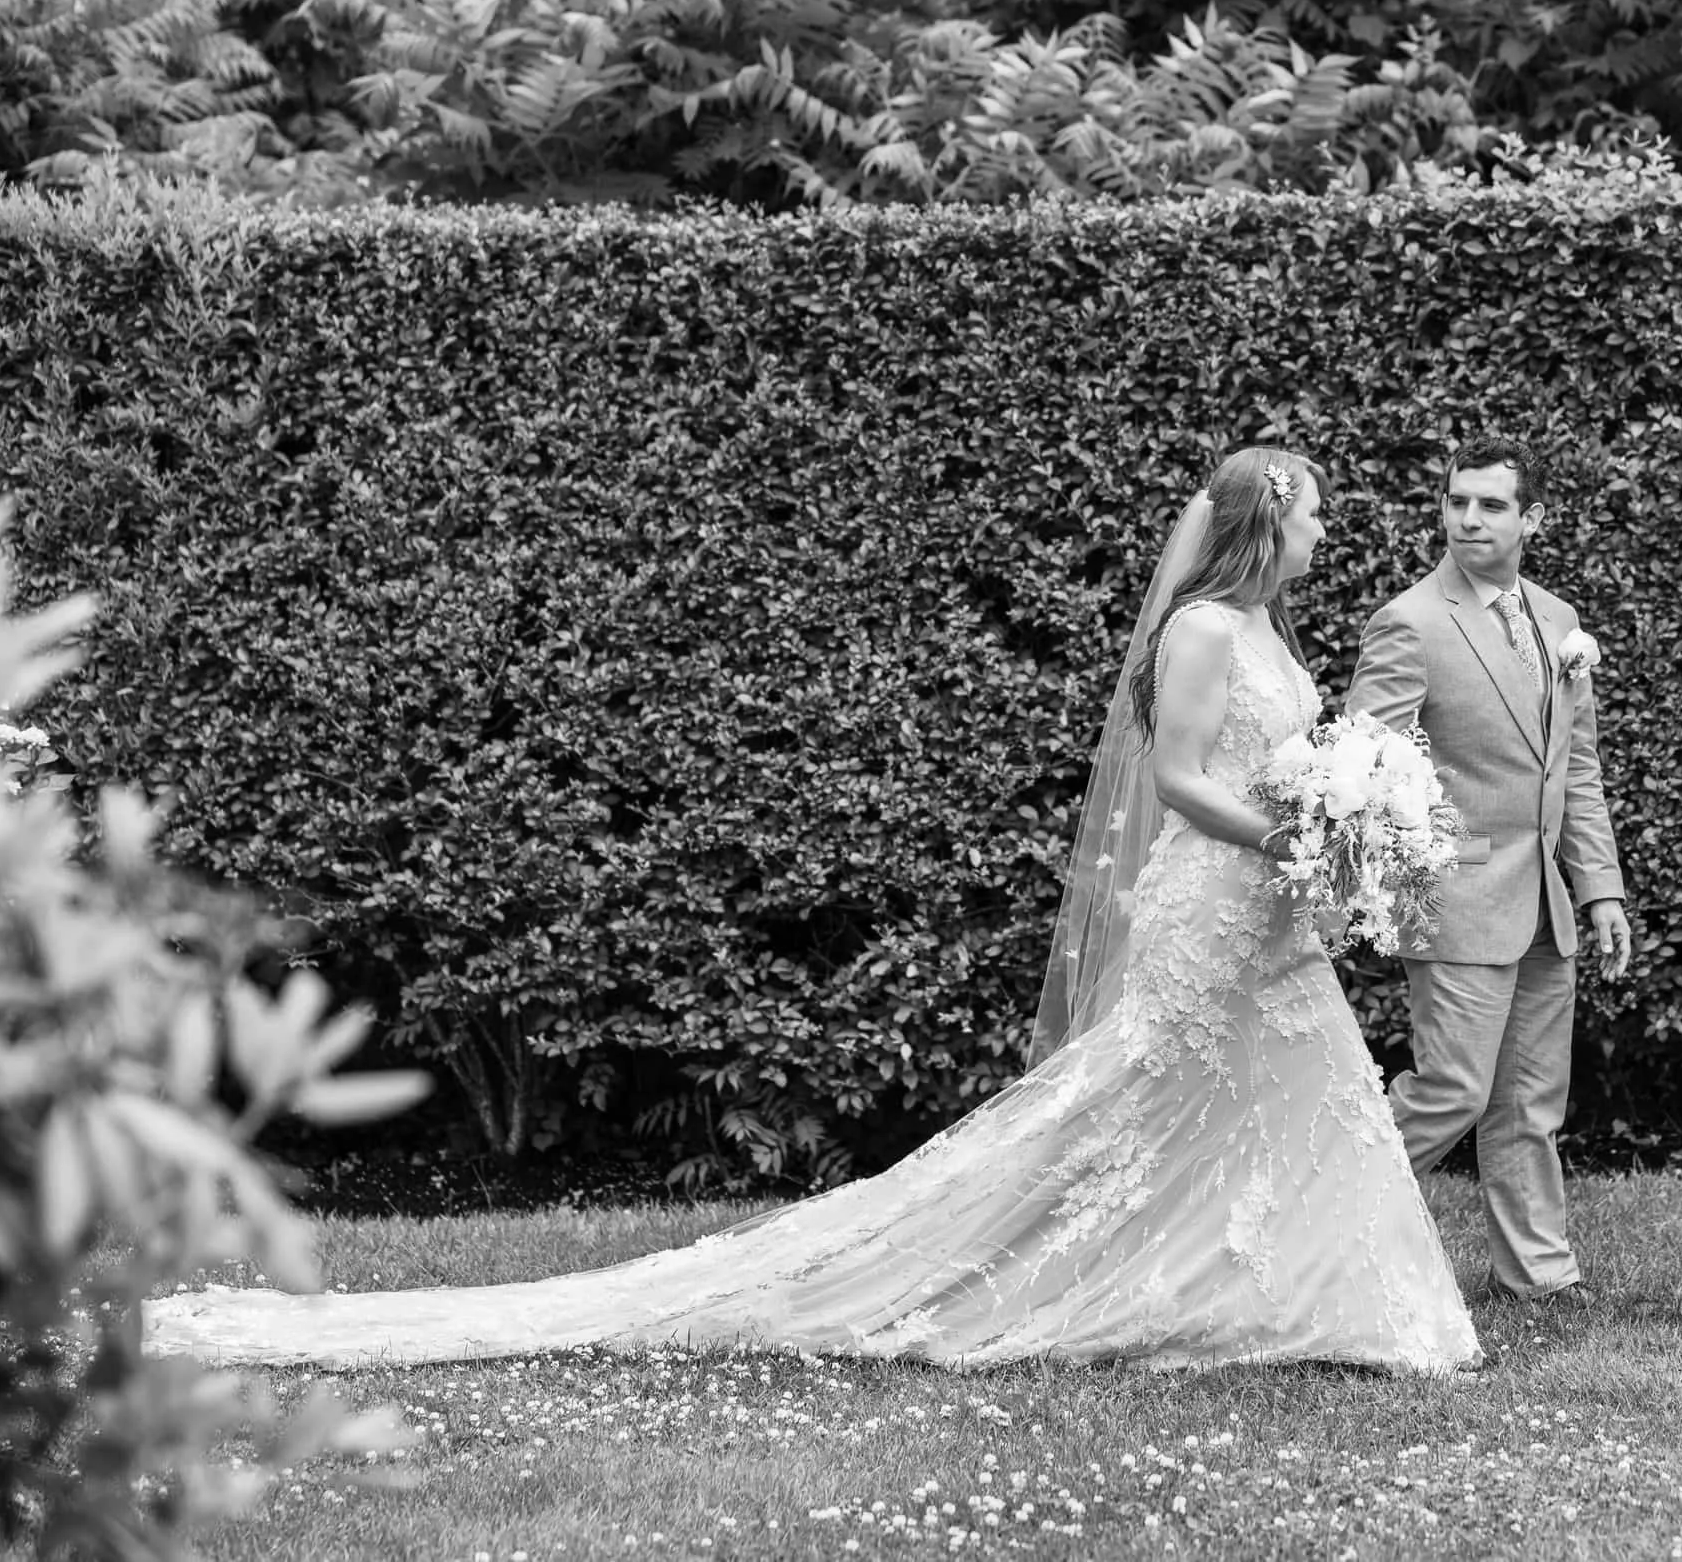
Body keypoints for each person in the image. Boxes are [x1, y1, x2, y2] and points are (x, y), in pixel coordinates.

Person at [144, 448, 1481, 1375]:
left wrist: (1331, 813)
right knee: (1133, 1103)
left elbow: (1267, 761)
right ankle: (1032, 1269)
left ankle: (1332, 1297)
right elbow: (1186, 782)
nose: (1322, 529)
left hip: (1270, 911)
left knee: (1302, 1088)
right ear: (1260, 521)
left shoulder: (1275, 634)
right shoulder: (1198, 631)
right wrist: (1302, 822)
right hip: (1215, 899)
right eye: (1307, 511)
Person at [1346, 434, 1632, 1309]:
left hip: (1546, 899)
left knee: (1531, 1104)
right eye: (1456, 500)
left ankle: (1539, 1274)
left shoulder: (1556, 619)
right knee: (1454, 1092)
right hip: (1458, 894)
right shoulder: (1411, 621)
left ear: (1530, 519)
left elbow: (1572, 767)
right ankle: (1318, 1220)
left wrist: (1601, 887)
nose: (1469, 517)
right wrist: (1379, 892)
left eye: (1491, 504)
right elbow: (1366, 770)